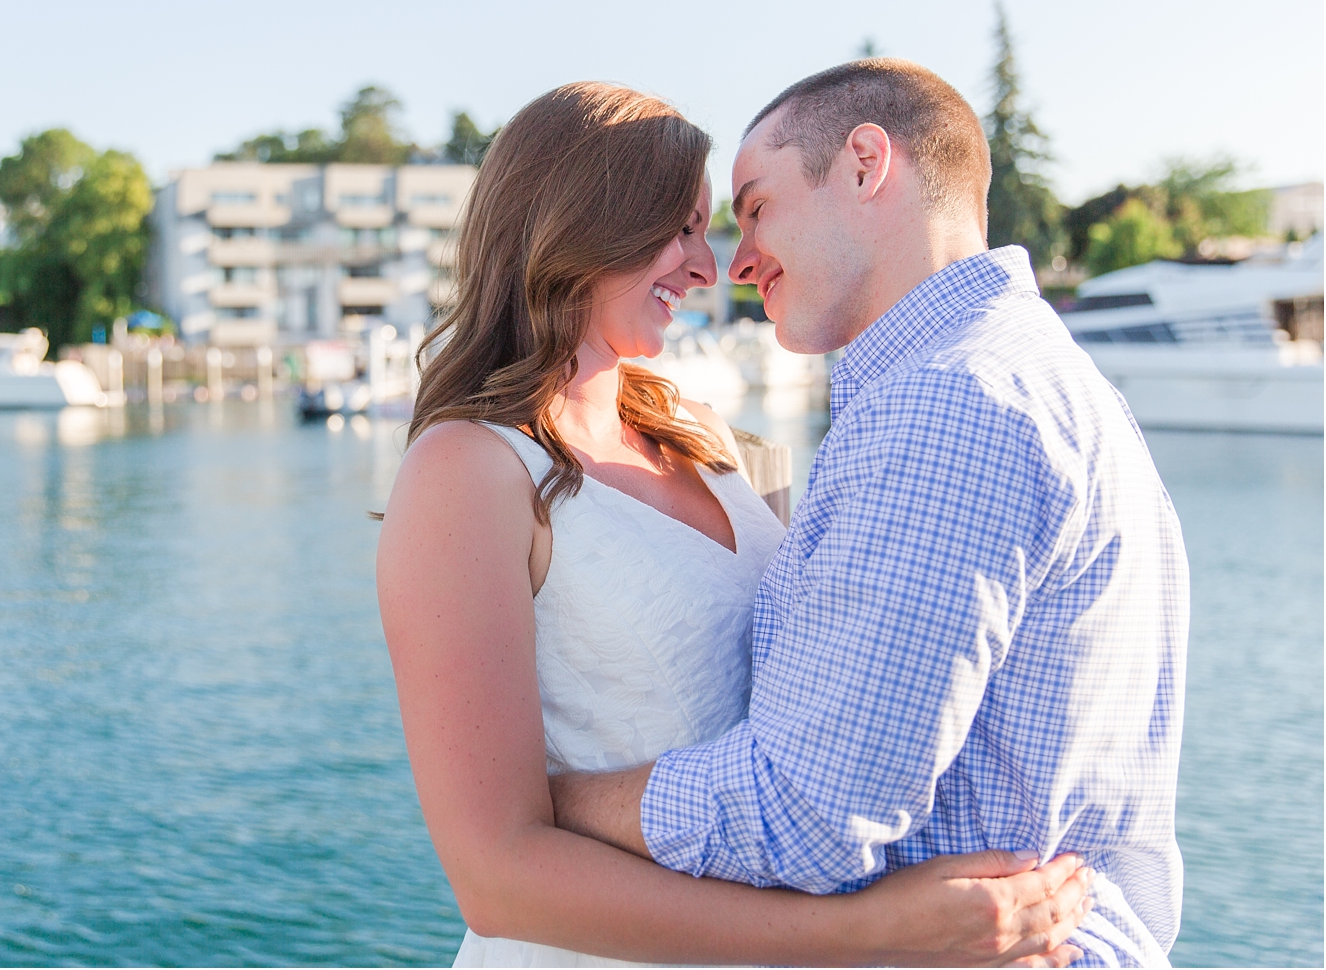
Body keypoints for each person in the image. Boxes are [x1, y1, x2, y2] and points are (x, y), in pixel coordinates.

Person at [376, 81, 1094, 967]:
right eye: (678, 230)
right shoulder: (466, 470)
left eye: (711, 229)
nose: (709, 268)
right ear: (576, 223)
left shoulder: (711, 438)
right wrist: (867, 937)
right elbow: (495, 876)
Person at [549, 61, 1188, 967]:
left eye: (757, 206)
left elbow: (807, 815)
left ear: (863, 163)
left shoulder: (948, 404)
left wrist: (554, 799)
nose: (736, 260)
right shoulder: (1044, 377)